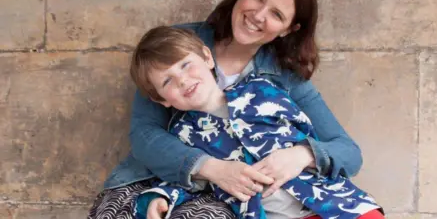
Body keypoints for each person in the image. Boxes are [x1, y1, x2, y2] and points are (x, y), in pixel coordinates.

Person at [88, 0, 365, 219]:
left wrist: (300, 155)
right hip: (164, 180)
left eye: (276, 14)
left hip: (241, 197)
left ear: (288, 29)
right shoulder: (178, 44)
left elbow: (347, 152)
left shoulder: (285, 77)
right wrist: (211, 168)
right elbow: (144, 134)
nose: (258, 15)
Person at [129, 26, 384, 219]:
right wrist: (157, 200)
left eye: (186, 65)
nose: (183, 80)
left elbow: (308, 131)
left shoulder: (261, 90)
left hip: (333, 203)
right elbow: (184, 182)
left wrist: (302, 153)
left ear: (207, 57)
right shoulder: (181, 136)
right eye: (167, 81)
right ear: (159, 99)